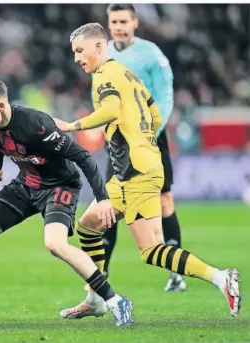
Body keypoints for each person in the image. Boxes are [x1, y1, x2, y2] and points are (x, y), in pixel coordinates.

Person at [54, 23, 241, 320]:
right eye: (74, 52)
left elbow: (112, 110)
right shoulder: (127, 74)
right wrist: (141, 141)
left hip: (136, 172)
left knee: (151, 250)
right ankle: (95, 298)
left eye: (80, 50)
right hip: (136, 168)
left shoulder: (104, 76)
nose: (76, 58)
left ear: (99, 48)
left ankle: (221, 277)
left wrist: (71, 126)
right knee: (89, 224)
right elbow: (153, 114)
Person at [0, 77, 133, 327]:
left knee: (54, 243)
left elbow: (83, 157)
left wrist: (103, 199)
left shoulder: (37, 125)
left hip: (59, 187)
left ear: (0, 106)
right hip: (25, 184)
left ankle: (115, 300)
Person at [103, 3, 186, 291]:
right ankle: (100, 277)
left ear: (135, 23)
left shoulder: (152, 54)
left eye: (124, 20)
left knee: (164, 200)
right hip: (117, 138)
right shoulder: (103, 54)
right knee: (109, 203)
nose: (119, 26)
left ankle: (175, 274)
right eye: (114, 21)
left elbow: (165, 95)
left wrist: (153, 130)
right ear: (109, 23)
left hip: (151, 137)